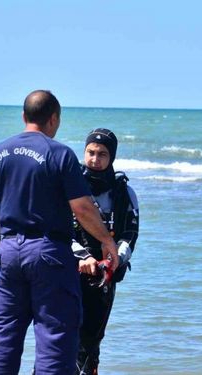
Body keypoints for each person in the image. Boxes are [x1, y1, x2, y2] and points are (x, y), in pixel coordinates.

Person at [0, 90, 118, 375]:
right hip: (48, 253)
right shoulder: (59, 153)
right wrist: (107, 241)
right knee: (55, 337)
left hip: (9, 251)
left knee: (4, 338)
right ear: (54, 119)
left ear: (24, 116)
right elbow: (82, 208)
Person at [72, 128, 139, 375]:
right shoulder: (71, 187)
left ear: (111, 157)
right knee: (61, 337)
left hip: (105, 277)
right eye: (90, 152)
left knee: (92, 342)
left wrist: (115, 260)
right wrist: (83, 257)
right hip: (69, 271)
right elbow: (59, 231)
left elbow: (131, 234)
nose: (94, 159)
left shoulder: (124, 192)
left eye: (102, 154)